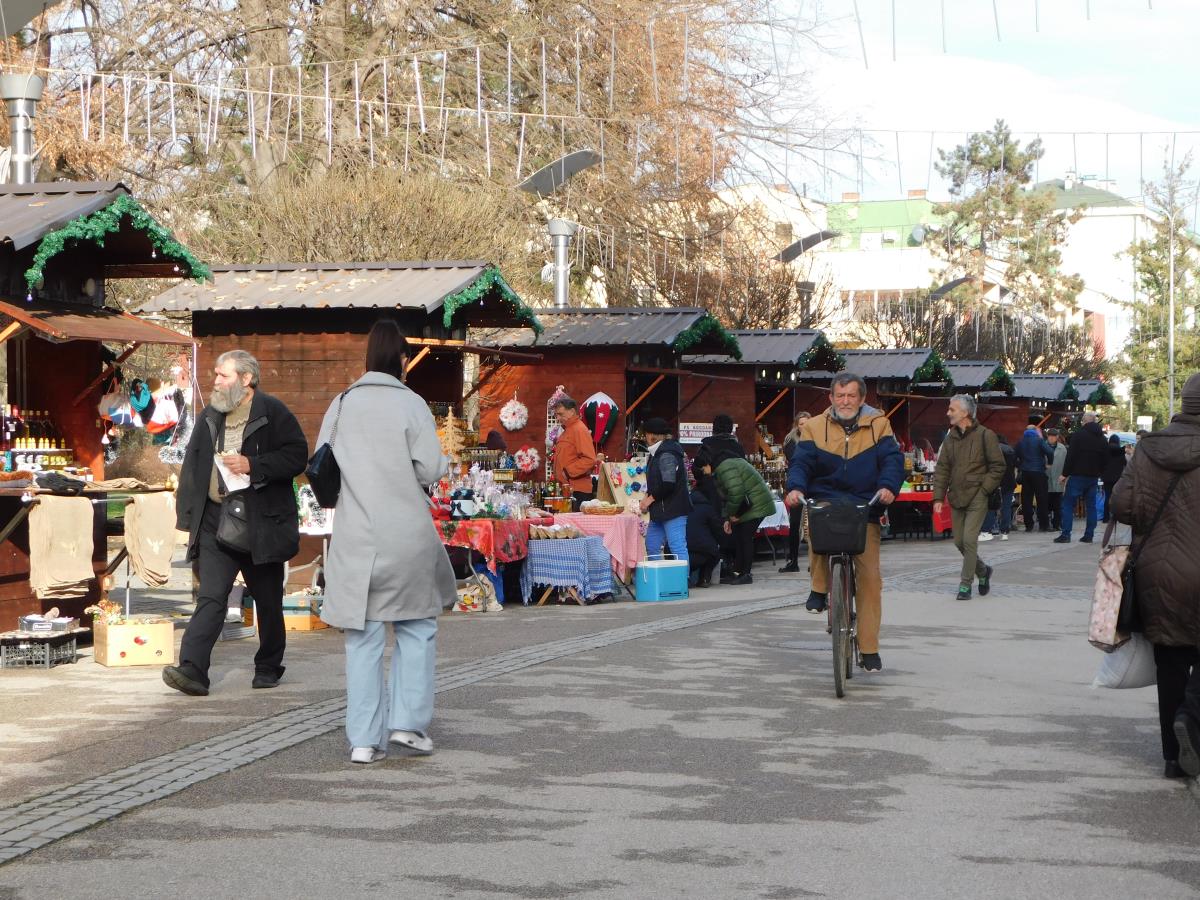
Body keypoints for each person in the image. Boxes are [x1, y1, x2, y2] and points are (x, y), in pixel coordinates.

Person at [316, 320, 455, 763]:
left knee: (363, 636)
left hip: (356, 536)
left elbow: (322, 463)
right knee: (416, 627)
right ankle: (408, 726)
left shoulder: (341, 404)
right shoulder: (412, 405)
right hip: (406, 536)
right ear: (400, 359)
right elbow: (431, 469)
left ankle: (362, 739)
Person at [163, 350, 308, 697]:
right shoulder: (210, 416)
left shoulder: (273, 413)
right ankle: (193, 670)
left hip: (261, 523)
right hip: (216, 521)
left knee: (268, 600)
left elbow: (297, 455)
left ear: (246, 379)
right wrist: (188, 518)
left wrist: (253, 465)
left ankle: (268, 666)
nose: (215, 381)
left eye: (223, 376)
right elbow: (194, 467)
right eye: (215, 375)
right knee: (211, 597)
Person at [1112, 372, 1200, 779]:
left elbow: (1123, 506)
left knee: (1170, 661)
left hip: (1160, 572)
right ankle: (1191, 719)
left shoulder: (1148, 449)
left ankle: (1172, 757)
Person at [785, 373, 902, 672]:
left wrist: (888, 486)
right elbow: (802, 463)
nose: (845, 401)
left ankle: (869, 648)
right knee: (818, 529)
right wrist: (795, 487)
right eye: (840, 396)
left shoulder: (879, 425)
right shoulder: (813, 427)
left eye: (851, 396)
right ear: (831, 399)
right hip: (826, 497)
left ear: (862, 399)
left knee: (870, 579)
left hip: (865, 501)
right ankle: (819, 588)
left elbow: (892, 460)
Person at [932, 394, 1005, 601]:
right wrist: (938, 498)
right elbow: (943, 469)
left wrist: (984, 489)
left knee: (969, 540)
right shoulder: (950, 438)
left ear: (965, 413)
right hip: (956, 495)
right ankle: (983, 571)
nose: (948, 413)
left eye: (951, 409)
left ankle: (965, 585)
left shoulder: (985, 435)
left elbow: (998, 466)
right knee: (958, 541)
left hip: (978, 496)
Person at [713, 455, 776, 585]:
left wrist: (731, 515)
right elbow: (729, 496)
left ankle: (746, 574)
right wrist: (728, 518)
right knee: (740, 537)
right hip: (751, 505)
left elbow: (736, 492)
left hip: (755, 505)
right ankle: (738, 572)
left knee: (745, 538)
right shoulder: (726, 466)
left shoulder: (725, 468)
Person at [640, 417, 691, 563]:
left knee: (677, 547)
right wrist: (647, 497)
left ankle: (682, 582)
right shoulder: (657, 453)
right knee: (652, 545)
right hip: (660, 511)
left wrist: (649, 499)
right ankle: (657, 580)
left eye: (646, 435)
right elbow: (656, 482)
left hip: (674, 509)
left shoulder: (667, 453)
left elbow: (668, 484)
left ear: (652, 436)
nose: (645, 438)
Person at [1054, 411, 1108, 544]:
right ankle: (1089, 535)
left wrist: (1064, 474)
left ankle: (1066, 534)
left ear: (1084, 421)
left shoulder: (1078, 436)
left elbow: (1071, 456)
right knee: (1091, 506)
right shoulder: (1102, 438)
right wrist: (1099, 472)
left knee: (1067, 504)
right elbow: (1106, 458)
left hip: (1077, 476)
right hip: (1093, 477)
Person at [779, 411, 812, 573]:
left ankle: (815, 561)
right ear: (796, 425)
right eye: (801, 423)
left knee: (813, 524)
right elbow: (796, 462)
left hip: (813, 484)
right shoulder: (791, 441)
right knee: (795, 524)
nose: (804, 426)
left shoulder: (817, 438)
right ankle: (793, 560)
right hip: (797, 484)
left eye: (807, 423)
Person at [552, 396, 600, 510]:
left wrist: (567, 472)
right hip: (569, 489)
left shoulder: (579, 429)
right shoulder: (569, 430)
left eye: (561, 414)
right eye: (556, 415)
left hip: (578, 491)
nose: (558, 418)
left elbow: (589, 459)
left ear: (572, 411)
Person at [686, 472, 726, 588]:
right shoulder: (708, 508)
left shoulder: (684, 507)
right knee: (714, 554)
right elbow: (718, 531)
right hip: (702, 553)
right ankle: (704, 578)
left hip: (680, 554)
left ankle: (686, 578)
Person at [1015, 417, 1053, 532]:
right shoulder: (1039, 440)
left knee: (1026, 499)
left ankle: (1029, 525)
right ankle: (1044, 525)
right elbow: (1050, 452)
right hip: (1038, 472)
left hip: (1025, 473)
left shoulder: (1020, 442)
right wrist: (1049, 464)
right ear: (1035, 431)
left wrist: (1020, 465)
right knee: (1042, 498)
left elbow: (1014, 456)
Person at [981, 432, 1017, 541]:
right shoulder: (1010, 450)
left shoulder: (990, 451)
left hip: (995, 482)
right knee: (1006, 507)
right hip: (1009, 482)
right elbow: (1016, 464)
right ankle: (1005, 532)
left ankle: (987, 530)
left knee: (991, 506)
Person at [1101, 433, 1126, 523]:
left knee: (1107, 497)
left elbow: (1102, 464)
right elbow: (1125, 463)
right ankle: (1116, 517)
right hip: (1118, 478)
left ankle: (1105, 517)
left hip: (1107, 478)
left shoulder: (1104, 451)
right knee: (1117, 497)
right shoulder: (1120, 451)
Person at [1046, 428, 1067, 531]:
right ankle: (1047, 523)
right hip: (1046, 480)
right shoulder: (1043, 446)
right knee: (1047, 504)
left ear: (1057, 437)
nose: (1051, 438)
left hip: (1059, 479)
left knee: (1058, 505)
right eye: (1050, 435)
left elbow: (1066, 464)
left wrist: (1065, 476)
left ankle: (1056, 524)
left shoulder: (1062, 448)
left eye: (1054, 436)